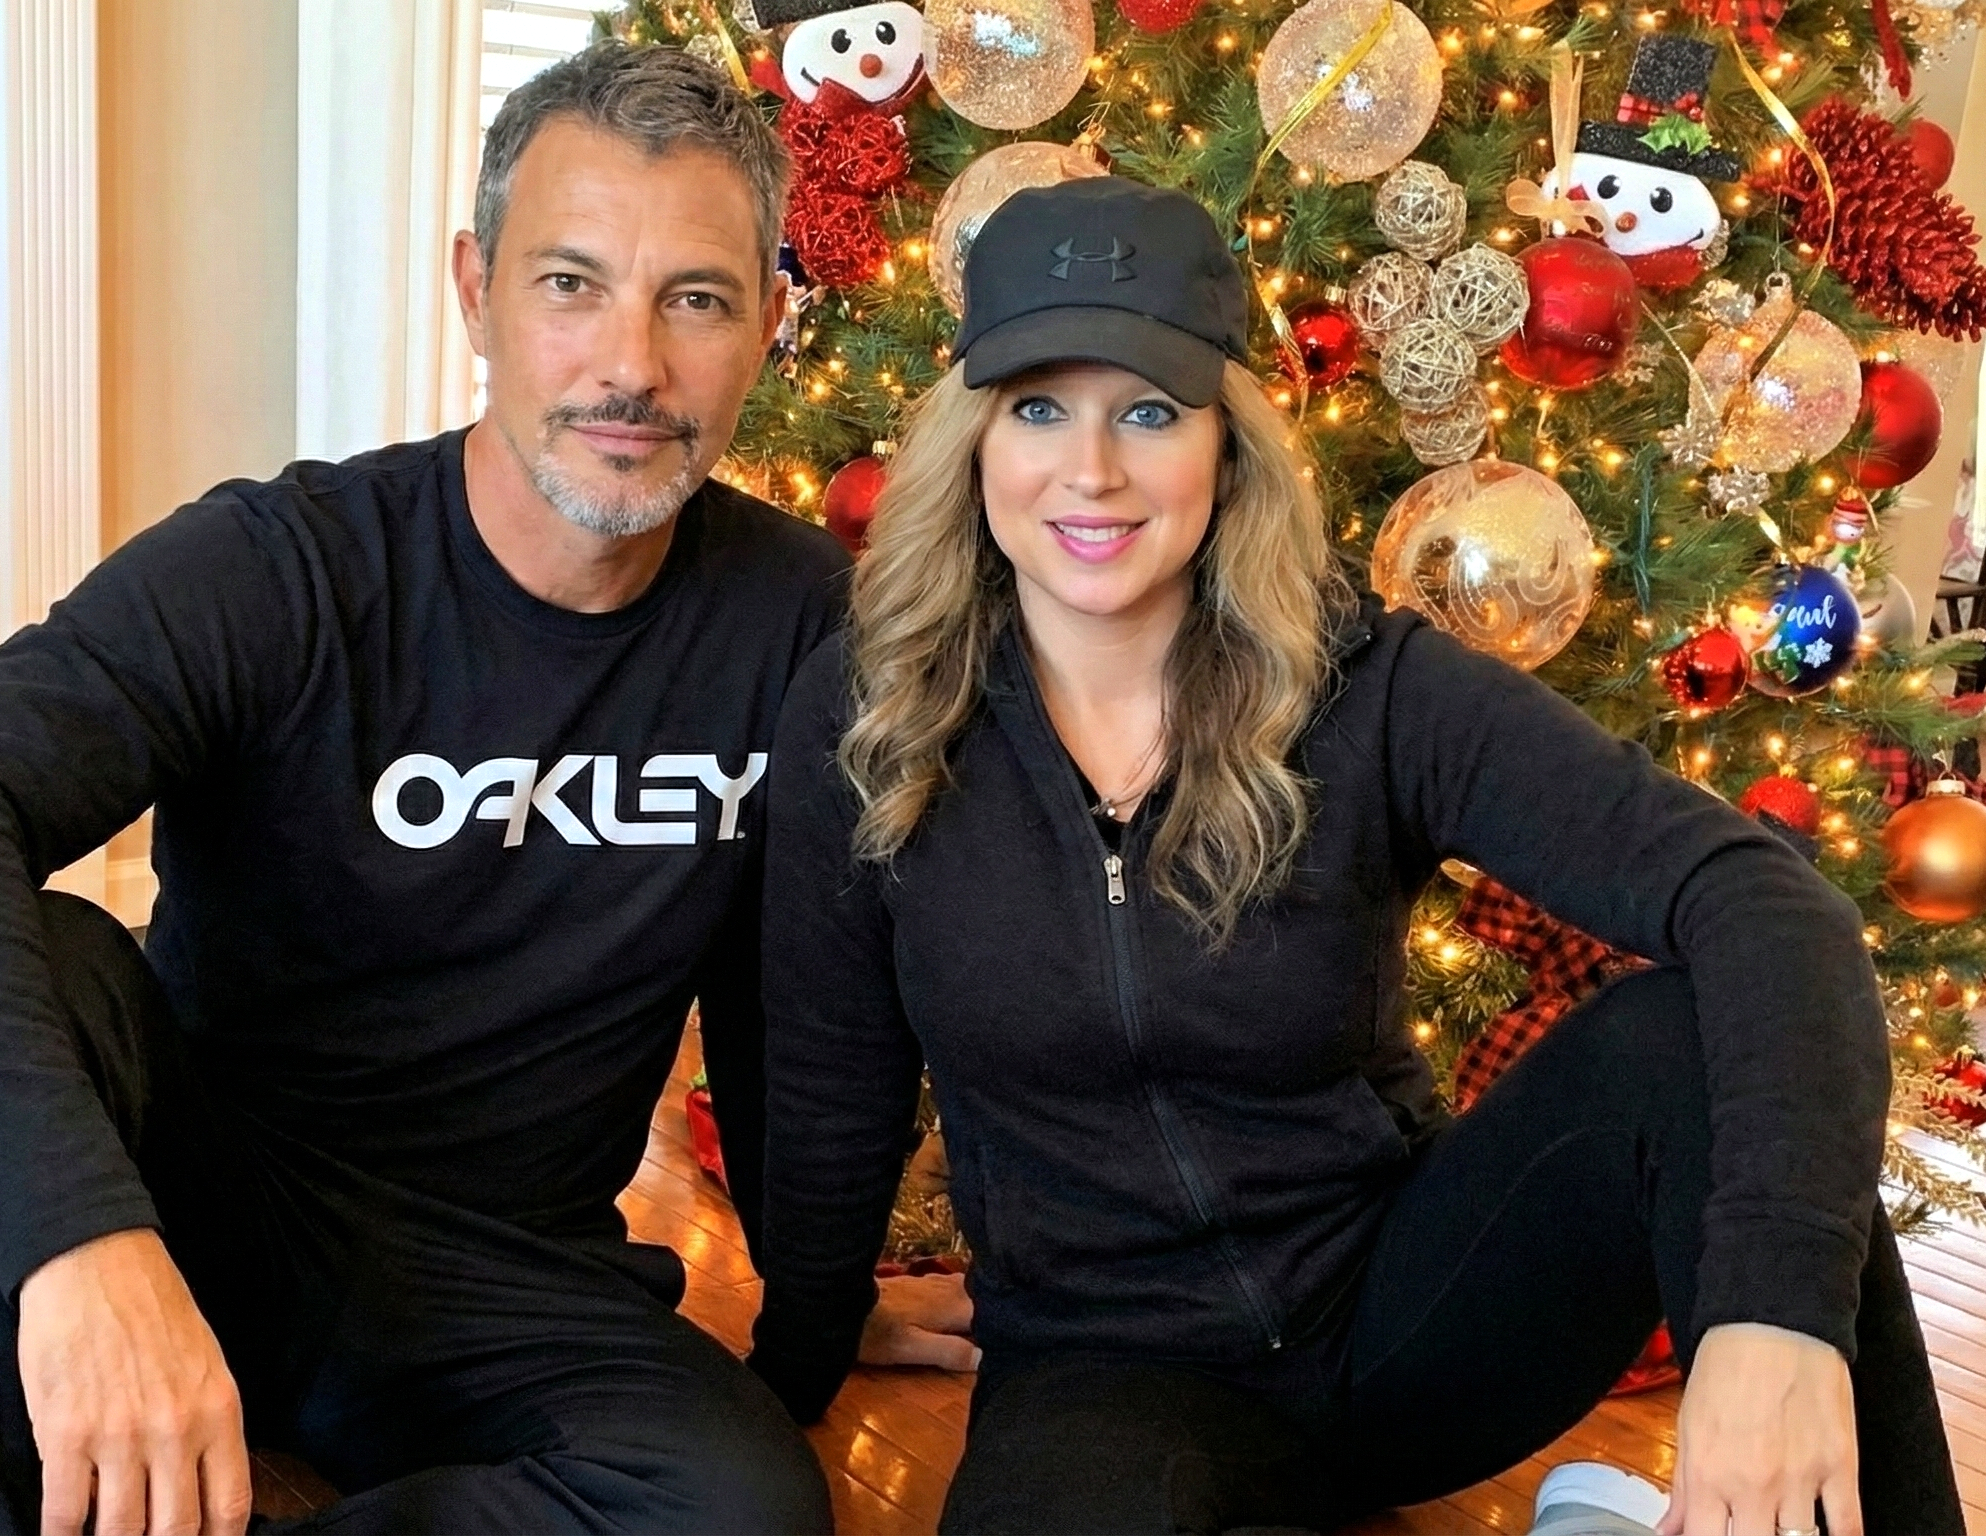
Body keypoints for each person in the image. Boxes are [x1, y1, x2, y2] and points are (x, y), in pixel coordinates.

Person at [0, 42, 905, 1536]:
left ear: (769, 321)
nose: (629, 364)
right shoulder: (285, 565)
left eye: (692, 298)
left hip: (507, 1279)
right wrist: (88, 1249)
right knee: (27, 961)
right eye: (570, 283)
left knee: (743, 1507)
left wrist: (815, 1327)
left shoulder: (802, 620)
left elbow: (804, 1016)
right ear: (476, 290)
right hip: (199, 1214)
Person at [747, 175, 1964, 1536]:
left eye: (1149, 410)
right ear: (972, 441)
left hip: (1409, 1323)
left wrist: (1771, 1314)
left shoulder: (1366, 687)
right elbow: (827, 1080)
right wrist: (798, 1364)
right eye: (1038, 407)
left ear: (1226, 443)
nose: (1089, 471)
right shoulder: (873, 714)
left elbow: (1763, 903)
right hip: (1106, 1375)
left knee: (1698, 1039)